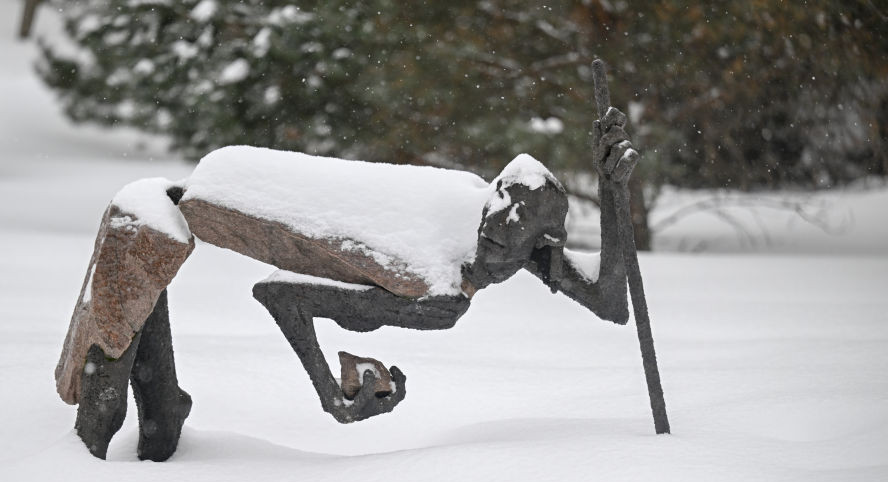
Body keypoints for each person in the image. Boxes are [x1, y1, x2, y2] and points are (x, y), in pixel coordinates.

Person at [57, 106, 639, 461]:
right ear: (489, 200)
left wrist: (614, 195)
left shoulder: (478, 255)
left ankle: (160, 413)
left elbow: (611, 301)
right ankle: (125, 432)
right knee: (110, 390)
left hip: (210, 192)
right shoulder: (444, 272)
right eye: (491, 222)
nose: (491, 243)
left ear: (538, 247)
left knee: (149, 245)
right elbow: (280, 294)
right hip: (213, 200)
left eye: (508, 243)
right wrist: (330, 395)